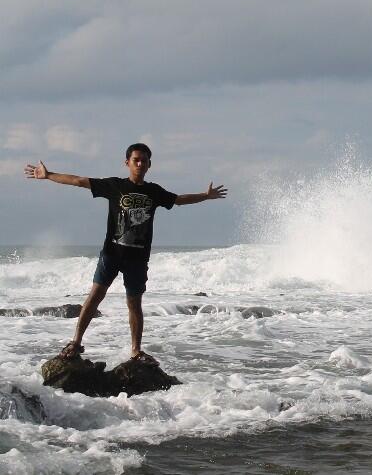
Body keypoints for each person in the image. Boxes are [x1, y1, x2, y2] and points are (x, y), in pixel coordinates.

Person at [23, 142, 227, 364]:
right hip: (111, 253)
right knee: (94, 297)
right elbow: (79, 181)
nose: (140, 163)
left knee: (134, 304)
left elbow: (178, 200)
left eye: (144, 160)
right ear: (127, 163)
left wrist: (205, 196)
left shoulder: (154, 191)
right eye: (136, 160)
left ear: (149, 164)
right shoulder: (115, 186)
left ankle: (135, 351)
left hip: (138, 259)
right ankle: (76, 342)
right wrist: (49, 174)